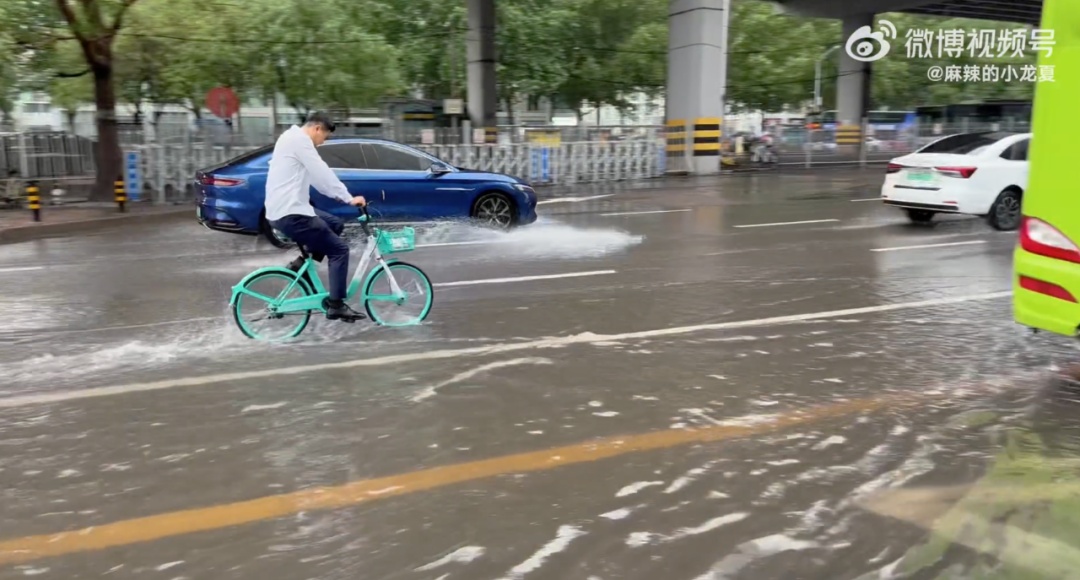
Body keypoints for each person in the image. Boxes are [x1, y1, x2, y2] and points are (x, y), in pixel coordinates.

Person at [264, 112, 368, 322]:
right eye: (325, 137)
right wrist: (348, 198)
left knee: (335, 224)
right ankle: (336, 305)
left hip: (286, 209)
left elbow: (316, 180)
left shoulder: (289, 137)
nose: (323, 142)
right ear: (317, 128)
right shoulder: (300, 142)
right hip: (291, 212)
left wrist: (341, 197)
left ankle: (302, 264)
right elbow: (322, 173)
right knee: (339, 250)